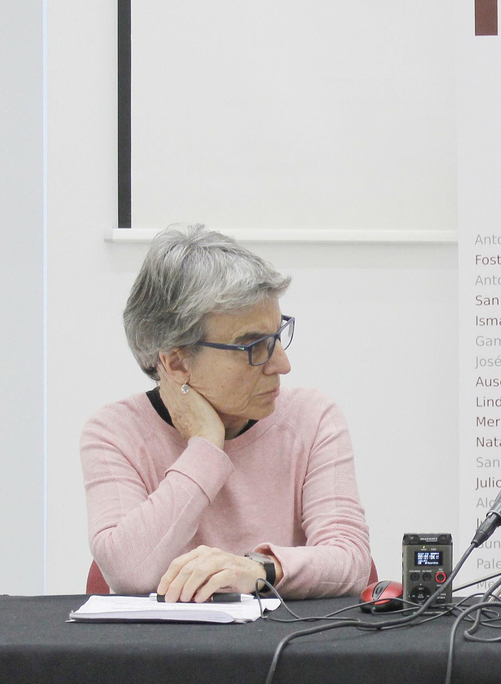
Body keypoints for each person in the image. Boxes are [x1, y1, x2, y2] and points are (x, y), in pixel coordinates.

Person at [81, 224, 371, 601]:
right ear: (177, 363)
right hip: (163, 656)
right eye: (253, 346)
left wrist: (261, 570)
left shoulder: (312, 418)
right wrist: (204, 446)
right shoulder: (115, 432)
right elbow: (127, 572)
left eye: (277, 337)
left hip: (283, 652)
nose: (281, 364)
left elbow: (351, 560)